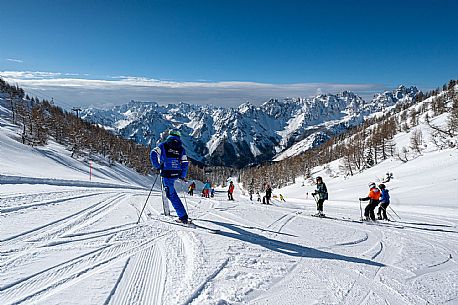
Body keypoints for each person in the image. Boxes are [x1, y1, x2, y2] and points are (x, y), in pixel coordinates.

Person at [150, 129, 190, 224]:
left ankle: (183, 216)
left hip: (166, 172)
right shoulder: (181, 148)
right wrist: (182, 175)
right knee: (170, 192)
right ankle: (179, 214)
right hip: (176, 173)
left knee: (170, 194)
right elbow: (185, 163)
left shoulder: (163, 145)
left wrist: (158, 166)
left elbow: (153, 153)